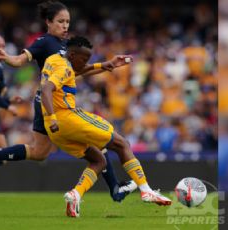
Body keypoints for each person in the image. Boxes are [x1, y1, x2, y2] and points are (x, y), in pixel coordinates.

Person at [0, 0, 137, 201]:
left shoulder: (66, 45)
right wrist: (5, 57)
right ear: (48, 22)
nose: (65, 25)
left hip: (55, 103)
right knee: (95, 144)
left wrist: (107, 65)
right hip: (49, 103)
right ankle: (114, 190)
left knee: (40, 152)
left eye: (67, 21)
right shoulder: (44, 42)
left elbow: (78, 71)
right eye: (60, 21)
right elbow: (18, 61)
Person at [39, 36, 171, 217]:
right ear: (71, 55)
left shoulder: (54, 60)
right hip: (66, 118)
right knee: (121, 143)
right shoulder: (64, 67)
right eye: (84, 59)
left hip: (54, 129)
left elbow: (73, 72)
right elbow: (47, 89)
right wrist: (54, 116)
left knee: (99, 160)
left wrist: (104, 65)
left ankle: (75, 194)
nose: (86, 62)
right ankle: (146, 190)